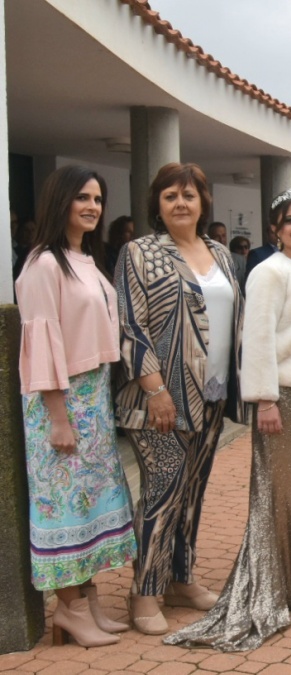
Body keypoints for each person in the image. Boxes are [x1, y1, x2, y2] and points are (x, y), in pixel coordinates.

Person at [167, 189, 291, 651]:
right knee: (284, 491)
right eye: (289, 221)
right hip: (285, 396)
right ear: (275, 229)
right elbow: (258, 337)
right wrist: (264, 400)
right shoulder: (269, 272)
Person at [114, 162, 245, 634]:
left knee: (192, 493)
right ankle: (145, 592)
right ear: (157, 205)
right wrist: (155, 389)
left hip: (210, 397)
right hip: (159, 399)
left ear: (203, 201)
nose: (181, 203)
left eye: (189, 195)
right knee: (163, 490)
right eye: (170, 196)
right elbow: (131, 325)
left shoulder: (221, 253)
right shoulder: (139, 252)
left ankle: (180, 579)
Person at [17, 166, 137, 647]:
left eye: (98, 199)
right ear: (60, 201)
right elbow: (42, 343)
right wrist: (59, 418)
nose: (92, 207)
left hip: (93, 397)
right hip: (61, 400)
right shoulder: (44, 264)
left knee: (89, 502)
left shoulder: (84, 257)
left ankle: (87, 604)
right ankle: (68, 611)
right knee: (64, 506)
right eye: (82, 198)